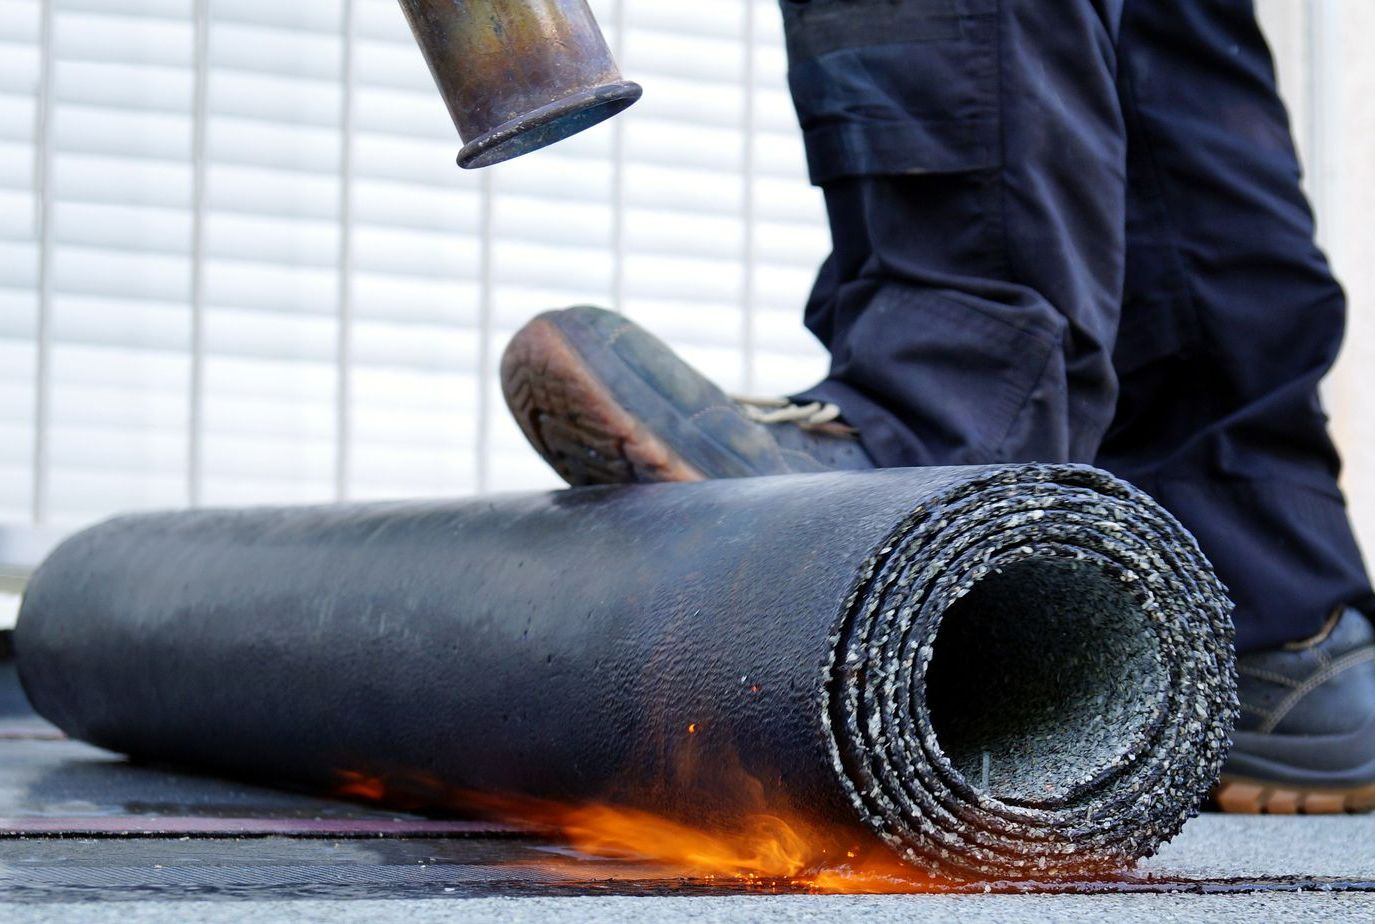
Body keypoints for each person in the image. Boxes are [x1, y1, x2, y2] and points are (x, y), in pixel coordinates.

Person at [500, 0, 1375, 813]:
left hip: (952, 472)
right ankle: (1260, 609)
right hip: (1275, 580)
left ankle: (940, 434)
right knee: (1159, 27)